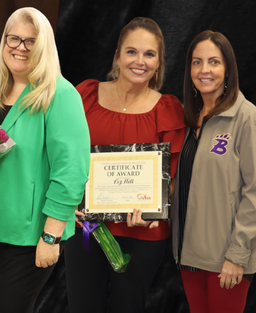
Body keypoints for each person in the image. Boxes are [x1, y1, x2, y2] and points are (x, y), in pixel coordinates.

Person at [63, 17, 185, 313]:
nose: (139, 61)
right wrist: (68, 200)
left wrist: (155, 209)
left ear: (159, 63)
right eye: (131, 52)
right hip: (85, 227)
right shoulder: (85, 96)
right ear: (117, 56)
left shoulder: (168, 110)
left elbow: (172, 180)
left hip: (142, 234)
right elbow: (63, 157)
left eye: (149, 54)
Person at [0, 7, 89, 313]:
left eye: (30, 41)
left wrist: (51, 235)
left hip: (32, 235)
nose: (20, 48)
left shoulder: (60, 94)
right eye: (14, 39)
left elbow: (72, 171)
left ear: (44, 46)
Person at [173, 31, 256, 313]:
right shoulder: (189, 118)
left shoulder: (247, 119)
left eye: (214, 62)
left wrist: (238, 255)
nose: (204, 70)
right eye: (197, 62)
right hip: (191, 252)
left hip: (226, 259)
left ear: (228, 69)